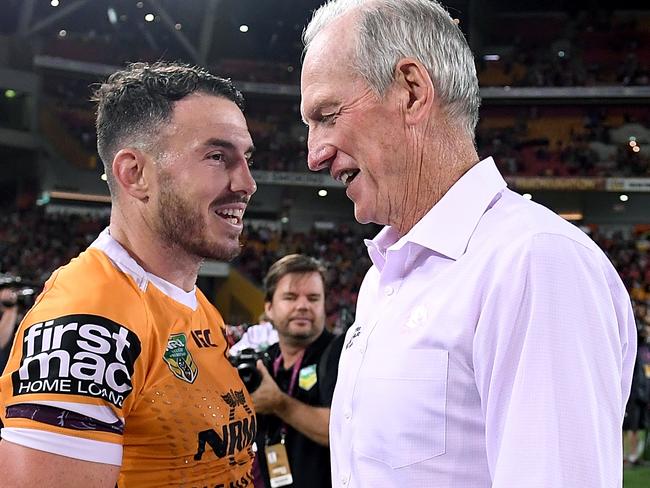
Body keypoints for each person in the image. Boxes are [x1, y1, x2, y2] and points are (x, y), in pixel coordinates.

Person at [300, 1, 637, 487]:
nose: (314, 154)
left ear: (412, 92)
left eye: (327, 115)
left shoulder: (534, 263)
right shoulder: (382, 278)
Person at [0, 62, 258, 487]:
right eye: (217, 157)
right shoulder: (87, 323)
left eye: (246, 159)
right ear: (134, 174)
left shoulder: (192, 302)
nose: (247, 183)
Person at [242, 254, 342, 488]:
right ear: (269, 308)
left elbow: (341, 431)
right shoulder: (265, 361)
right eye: (290, 297)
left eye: (313, 298)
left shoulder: (341, 353)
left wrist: (279, 403)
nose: (303, 306)